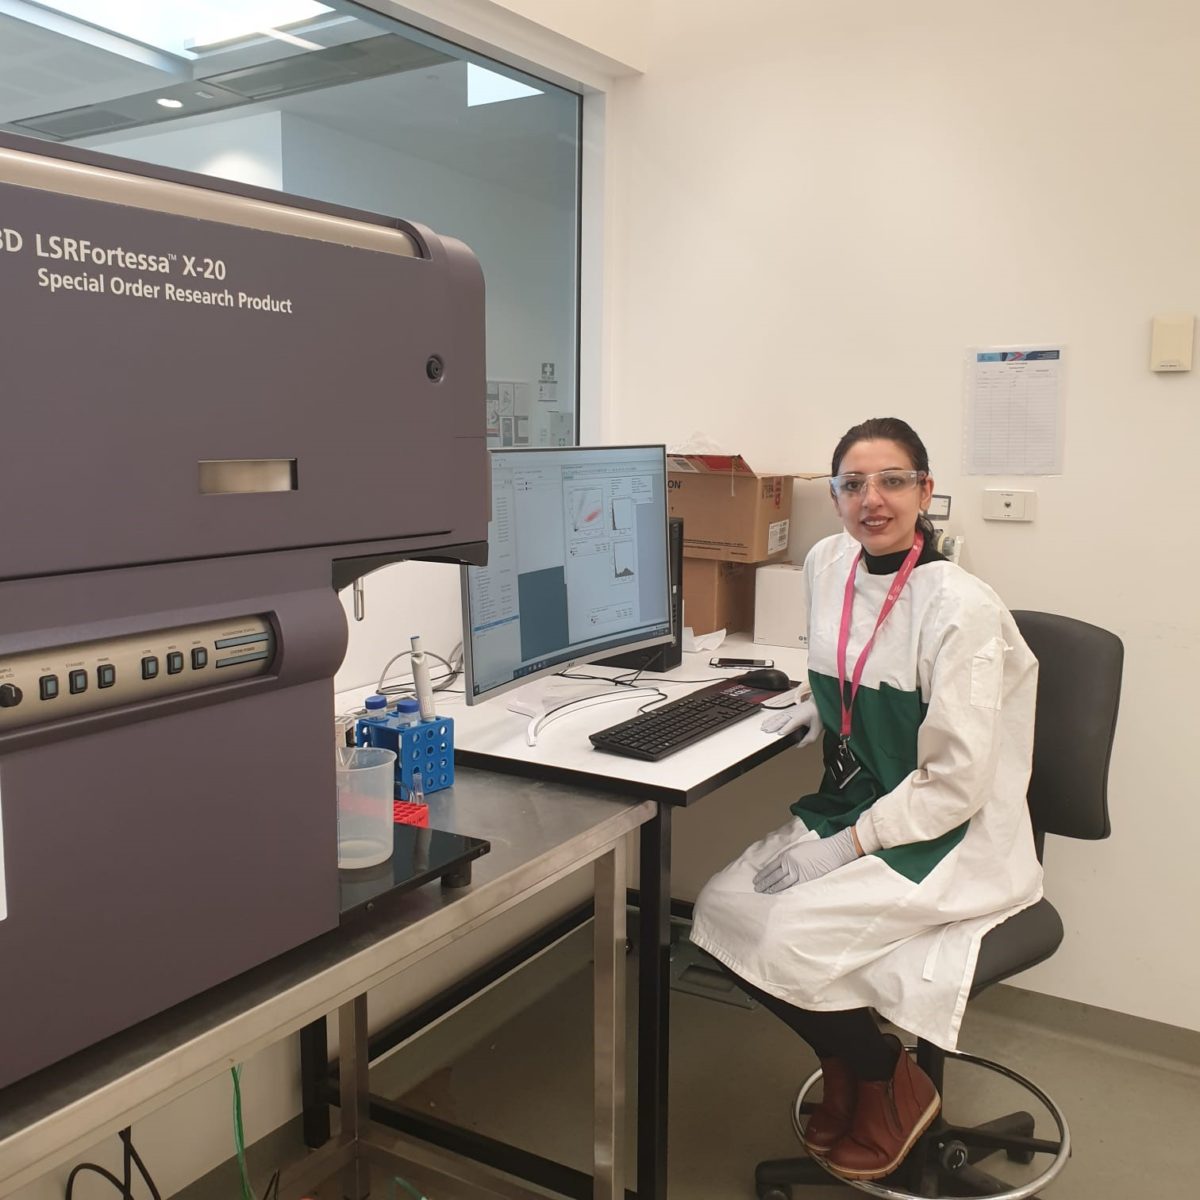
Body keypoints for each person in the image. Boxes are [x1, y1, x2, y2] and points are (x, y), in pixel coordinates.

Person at [690, 417, 1043, 1181]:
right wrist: (776, 710)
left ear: (925, 489)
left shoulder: (961, 609)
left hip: (947, 830)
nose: (871, 500)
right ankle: (845, 1066)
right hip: (853, 802)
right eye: (853, 484)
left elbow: (956, 781)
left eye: (891, 481)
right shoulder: (828, 563)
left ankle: (887, 1082)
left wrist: (845, 848)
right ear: (837, 495)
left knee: (784, 939)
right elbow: (841, 678)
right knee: (720, 908)